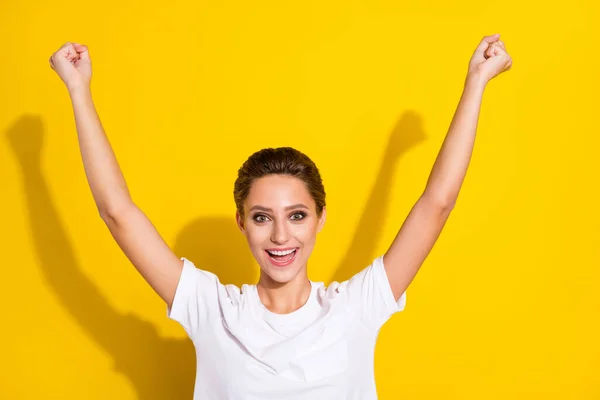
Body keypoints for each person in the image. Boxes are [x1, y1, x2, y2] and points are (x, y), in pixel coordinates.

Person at [48, 34, 512, 399]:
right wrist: (78, 91)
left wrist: (475, 83)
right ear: (242, 223)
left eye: (296, 215)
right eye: (262, 217)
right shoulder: (212, 310)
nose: (280, 235)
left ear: (319, 219)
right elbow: (118, 212)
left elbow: (437, 202)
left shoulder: (355, 308)